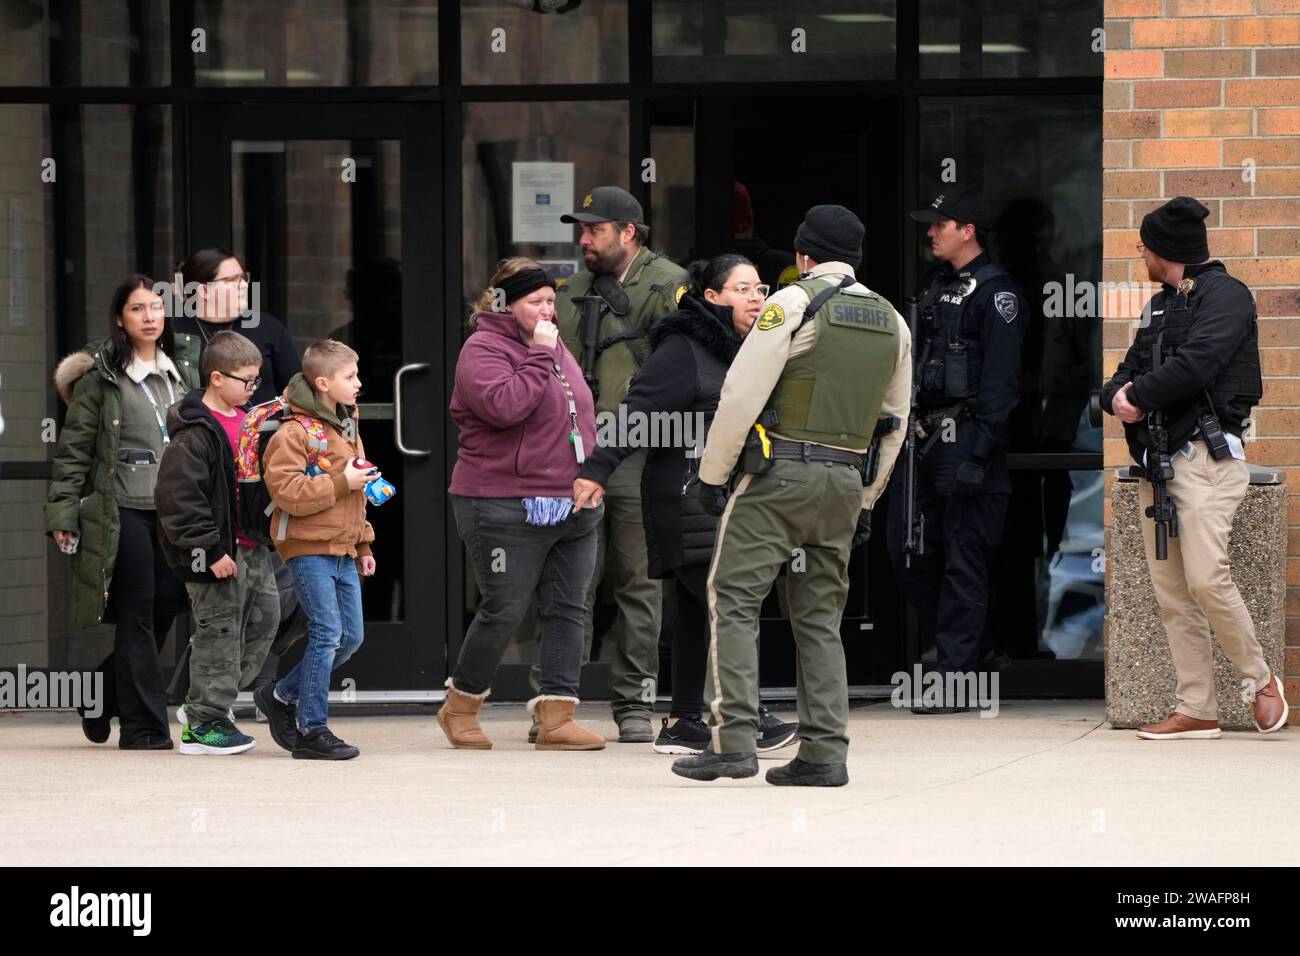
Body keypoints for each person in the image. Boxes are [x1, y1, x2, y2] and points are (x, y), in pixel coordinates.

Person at [672, 205, 912, 786]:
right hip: (844, 483)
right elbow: (895, 422)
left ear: (803, 256)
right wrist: (866, 500)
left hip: (781, 476)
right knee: (820, 619)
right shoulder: (894, 322)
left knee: (731, 598)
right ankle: (825, 754)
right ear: (856, 258)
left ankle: (732, 744)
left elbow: (740, 394)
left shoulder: (792, 302)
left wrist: (711, 475)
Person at [572, 254, 798, 755]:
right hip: (685, 498)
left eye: (760, 288)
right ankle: (745, 713)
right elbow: (638, 413)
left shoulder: (754, 350)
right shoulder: (684, 349)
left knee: (701, 611)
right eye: (742, 289)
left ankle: (684, 723)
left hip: (728, 500)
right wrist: (597, 469)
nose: (756, 297)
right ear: (711, 298)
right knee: (731, 604)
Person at [1100, 196, 1285, 739]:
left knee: (1207, 579)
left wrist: (1137, 396)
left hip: (1205, 460)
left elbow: (1199, 362)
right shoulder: (1159, 304)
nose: (1143, 255)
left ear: (1164, 250)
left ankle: (1260, 679)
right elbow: (1127, 368)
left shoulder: (1227, 296)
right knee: (1172, 594)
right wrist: (1117, 396)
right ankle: (1197, 707)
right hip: (1158, 465)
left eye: (1145, 247)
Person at [441, 258, 605, 751]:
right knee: (505, 609)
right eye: (536, 302)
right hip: (502, 503)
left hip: (570, 502)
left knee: (567, 609)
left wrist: (591, 475)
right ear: (504, 304)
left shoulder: (555, 347)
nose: (548, 310)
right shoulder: (483, 348)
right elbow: (505, 406)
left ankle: (556, 717)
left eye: (552, 302)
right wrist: (538, 354)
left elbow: (580, 414)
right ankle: (461, 706)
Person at [553, 185, 690, 743]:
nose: (584, 240)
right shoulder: (568, 288)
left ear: (628, 231)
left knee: (637, 580)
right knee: (571, 582)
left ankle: (634, 701)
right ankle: (556, 698)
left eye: (595, 230)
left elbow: (681, 369)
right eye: (581, 230)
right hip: (573, 451)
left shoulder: (669, 283)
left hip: (637, 452)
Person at [884, 188, 1027, 714]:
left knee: (964, 564)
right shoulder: (937, 285)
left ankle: (957, 680)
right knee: (907, 554)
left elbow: (1001, 386)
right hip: (923, 440)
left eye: (939, 224)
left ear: (968, 229)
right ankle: (982, 651)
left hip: (968, 441)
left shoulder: (998, 293)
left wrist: (979, 453)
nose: (929, 232)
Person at [45, 275, 200, 749]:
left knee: (168, 607)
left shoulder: (186, 369)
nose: (150, 316)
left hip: (177, 509)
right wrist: (63, 514)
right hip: (124, 508)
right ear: (120, 319)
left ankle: (102, 694)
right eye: (137, 309)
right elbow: (73, 452)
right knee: (136, 611)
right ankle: (144, 727)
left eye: (156, 307)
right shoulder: (102, 376)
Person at [155, 330, 281, 755]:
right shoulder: (194, 433)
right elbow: (179, 499)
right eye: (246, 380)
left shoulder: (248, 422)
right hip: (215, 552)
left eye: (256, 380)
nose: (253, 388)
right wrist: (208, 551)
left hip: (251, 545)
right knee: (219, 632)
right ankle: (202, 723)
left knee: (265, 621)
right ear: (215, 377)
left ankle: (211, 704)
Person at [253, 340, 378, 760]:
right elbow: (289, 492)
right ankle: (312, 730)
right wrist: (344, 481)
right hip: (307, 548)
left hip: (343, 548)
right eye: (350, 377)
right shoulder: (294, 433)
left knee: (351, 638)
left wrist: (363, 542)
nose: (359, 383)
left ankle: (280, 694)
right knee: (326, 633)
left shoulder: (347, 426)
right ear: (323, 383)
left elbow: (357, 495)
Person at [172, 248, 301, 406]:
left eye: (243, 278)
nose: (244, 285)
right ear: (204, 290)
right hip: (202, 427)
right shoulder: (174, 330)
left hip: (266, 429)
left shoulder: (269, 328)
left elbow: (296, 392)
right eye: (232, 280)